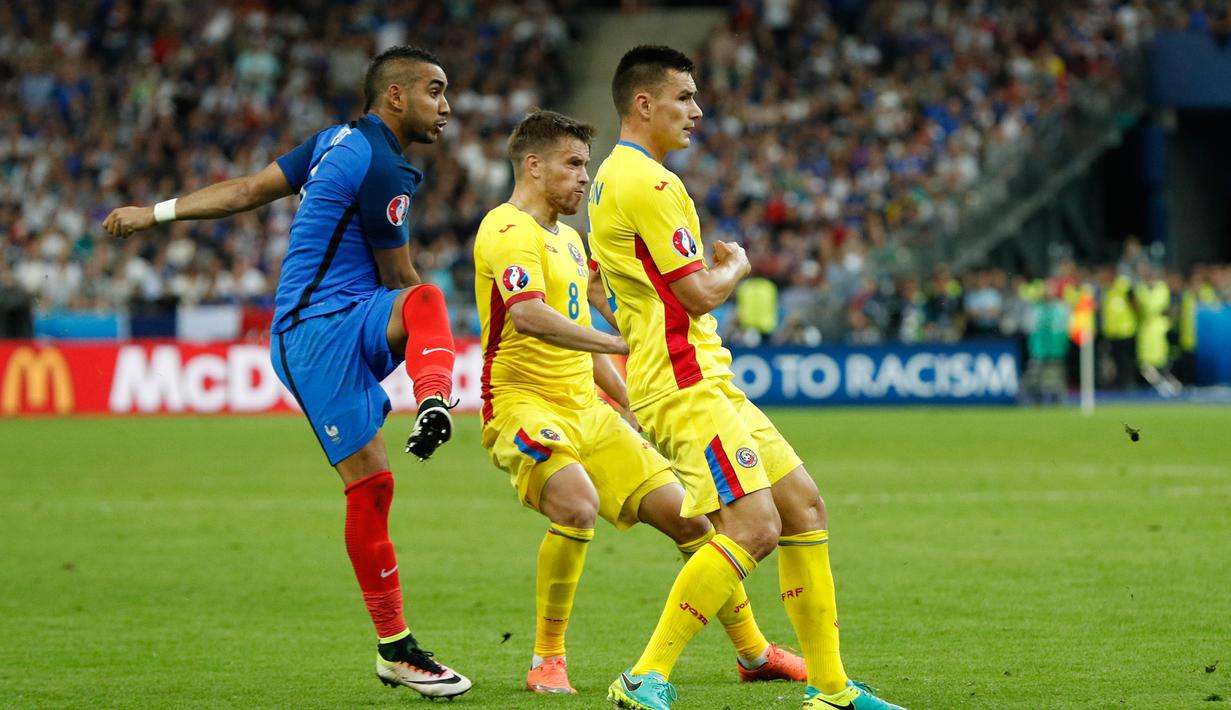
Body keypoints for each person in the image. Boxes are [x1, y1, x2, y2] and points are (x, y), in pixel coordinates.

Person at [101, 46, 471, 699]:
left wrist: (153, 212)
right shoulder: (384, 165)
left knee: (422, 324)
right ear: (394, 96)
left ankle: (433, 401)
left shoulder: (335, 141)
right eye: (435, 91)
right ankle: (396, 650)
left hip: (347, 316)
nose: (446, 106)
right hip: (313, 336)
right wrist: (438, 352)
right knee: (373, 479)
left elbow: (246, 191)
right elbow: (401, 278)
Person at [587, 46, 905, 710]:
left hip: (706, 377)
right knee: (753, 528)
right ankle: (644, 675)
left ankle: (830, 688)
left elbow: (608, 283)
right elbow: (699, 293)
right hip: (683, 382)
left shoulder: (612, 180)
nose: (697, 111)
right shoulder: (647, 183)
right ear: (642, 104)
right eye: (684, 97)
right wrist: (736, 266)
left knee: (803, 507)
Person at [474, 109, 804, 696]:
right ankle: (547, 660)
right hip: (524, 407)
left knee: (696, 520)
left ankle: (754, 654)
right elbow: (529, 317)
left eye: (585, 164)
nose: (583, 177)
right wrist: (619, 339)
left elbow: (580, 319)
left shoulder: (570, 240)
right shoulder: (504, 230)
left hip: (588, 408)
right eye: (572, 164)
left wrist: (629, 402)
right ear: (532, 164)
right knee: (576, 504)